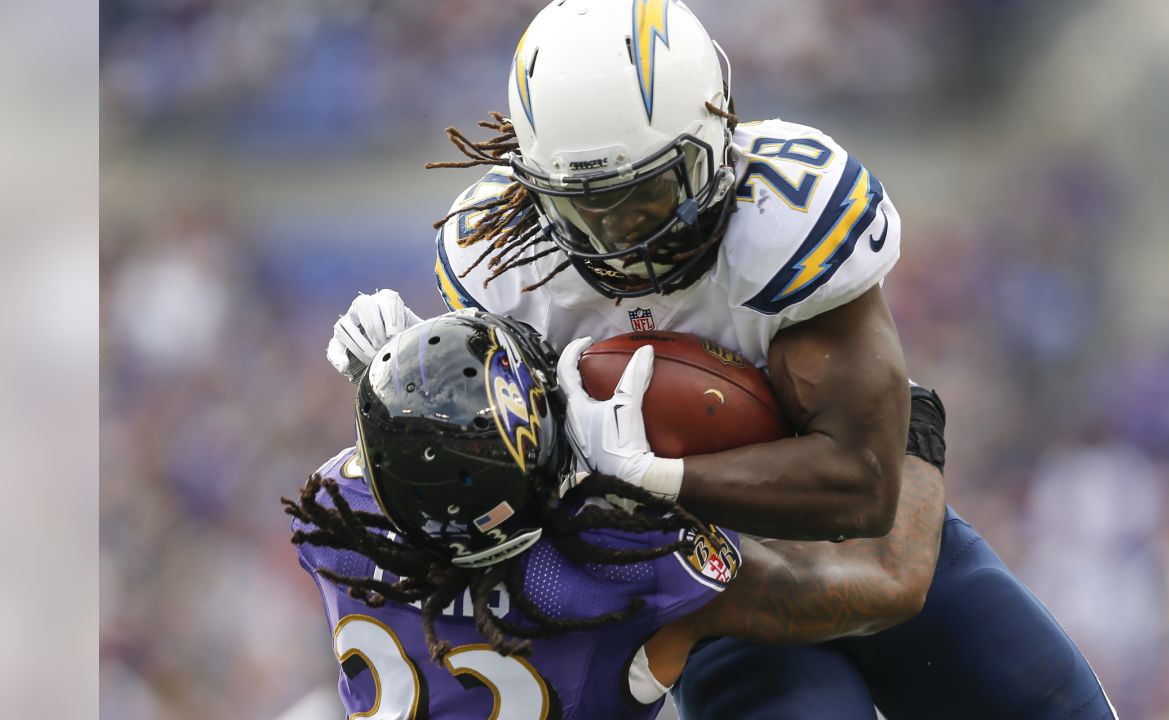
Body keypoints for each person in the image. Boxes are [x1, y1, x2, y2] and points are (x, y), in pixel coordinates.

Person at [326, 1, 1116, 717]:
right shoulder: (503, 265)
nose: (621, 236)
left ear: (716, 133)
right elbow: (487, 473)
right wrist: (408, 388)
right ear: (534, 190)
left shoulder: (786, 218)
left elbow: (866, 490)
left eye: (649, 195)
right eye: (583, 209)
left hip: (839, 541)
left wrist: (658, 474)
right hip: (699, 586)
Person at [289, 309, 949, 719]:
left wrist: (408, 382)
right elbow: (890, 583)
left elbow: (426, 471)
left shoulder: (337, 519)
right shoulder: (618, 572)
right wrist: (914, 425)